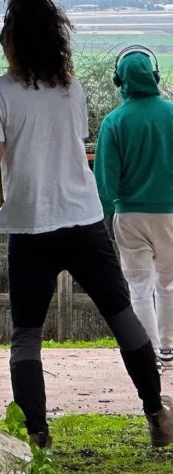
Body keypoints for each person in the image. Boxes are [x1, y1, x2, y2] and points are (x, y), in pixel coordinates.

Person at [0, 0, 173, 449]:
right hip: (84, 221)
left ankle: (38, 436)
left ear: (12, 39)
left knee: (26, 339)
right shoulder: (70, 88)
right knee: (123, 321)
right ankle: (156, 414)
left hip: (29, 228)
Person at [94, 45, 173, 370]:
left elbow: (105, 178)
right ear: (154, 76)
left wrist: (103, 216)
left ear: (119, 80)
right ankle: (168, 349)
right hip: (170, 213)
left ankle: (148, 352)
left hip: (129, 215)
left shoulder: (114, 122)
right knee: (168, 282)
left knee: (139, 287)